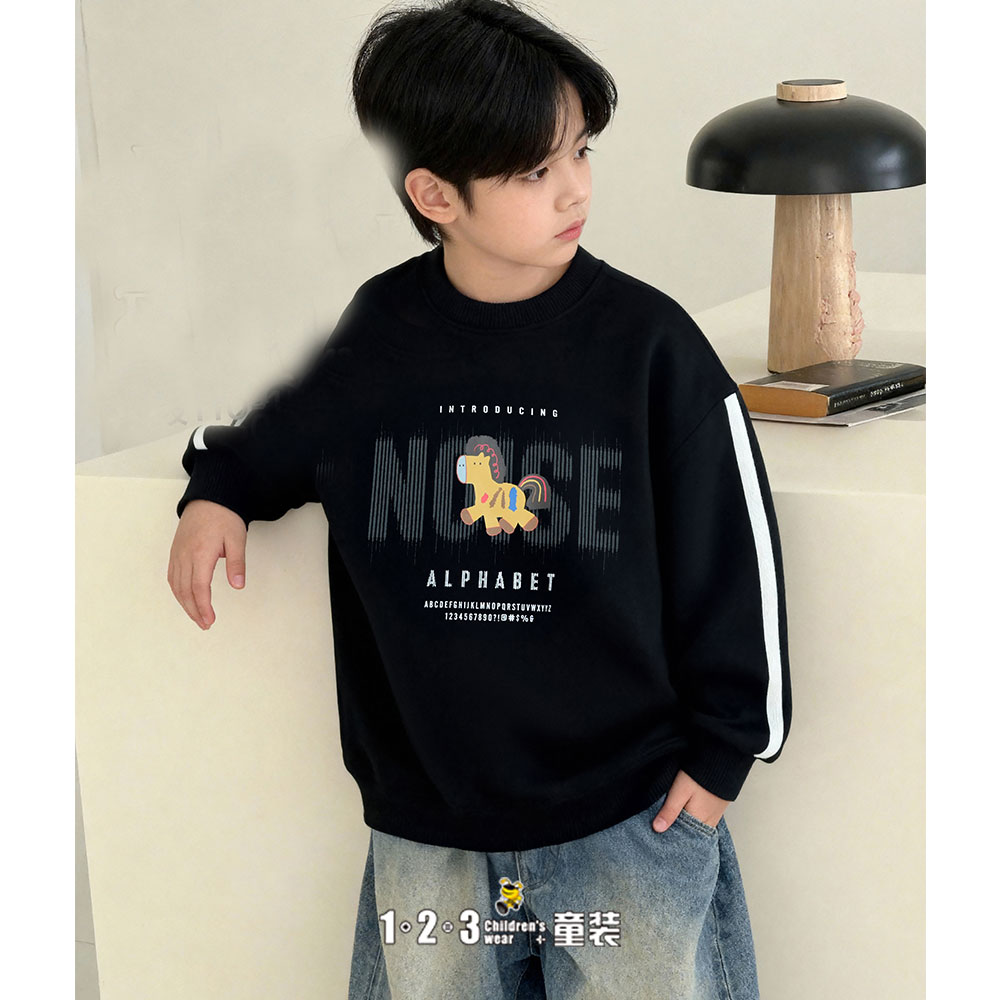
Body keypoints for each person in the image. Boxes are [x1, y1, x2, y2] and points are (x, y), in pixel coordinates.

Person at [167, 1, 792, 997]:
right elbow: (278, 435)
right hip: (432, 832)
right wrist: (220, 492)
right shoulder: (378, 334)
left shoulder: (649, 347)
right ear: (435, 194)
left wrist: (726, 752)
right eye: (534, 171)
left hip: (627, 821)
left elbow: (732, 551)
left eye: (580, 151)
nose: (575, 187)